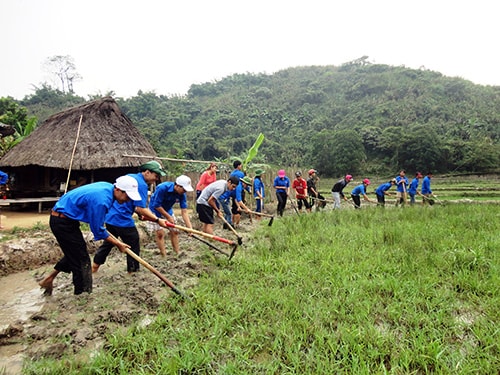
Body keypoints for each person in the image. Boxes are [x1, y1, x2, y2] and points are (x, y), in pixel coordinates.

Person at [38, 176, 141, 296]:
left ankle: (49, 279)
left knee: (75, 251)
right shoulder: (102, 200)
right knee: (82, 261)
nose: (128, 200)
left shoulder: (107, 187)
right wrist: (118, 243)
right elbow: (97, 230)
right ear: (118, 189)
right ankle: (83, 295)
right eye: (127, 196)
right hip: (62, 222)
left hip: (67, 219)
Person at [93, 160, 168, 274]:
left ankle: (94, 267)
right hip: (122, 220)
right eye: (156, 176)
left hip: (110, 217)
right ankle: (133, 272)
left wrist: (139, 214)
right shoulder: (141, 185)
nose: (156, 179)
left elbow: (136, 207)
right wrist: (157, 220)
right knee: (133, 244)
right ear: (147, 172)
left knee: (108, 243)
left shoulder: (130, 177)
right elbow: (141, 208)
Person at [148, 175, 194, 256]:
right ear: (177, 186)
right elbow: (157, 205)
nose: (185, 191)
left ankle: (177, 253)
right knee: (160, 233)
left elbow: (184, 212)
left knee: (175, 231)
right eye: (184, 189)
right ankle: (163, 255)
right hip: (155, 211)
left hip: (168, 210)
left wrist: (190, 228)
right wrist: (168, 217)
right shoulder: (162, 188)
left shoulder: (182, 194)